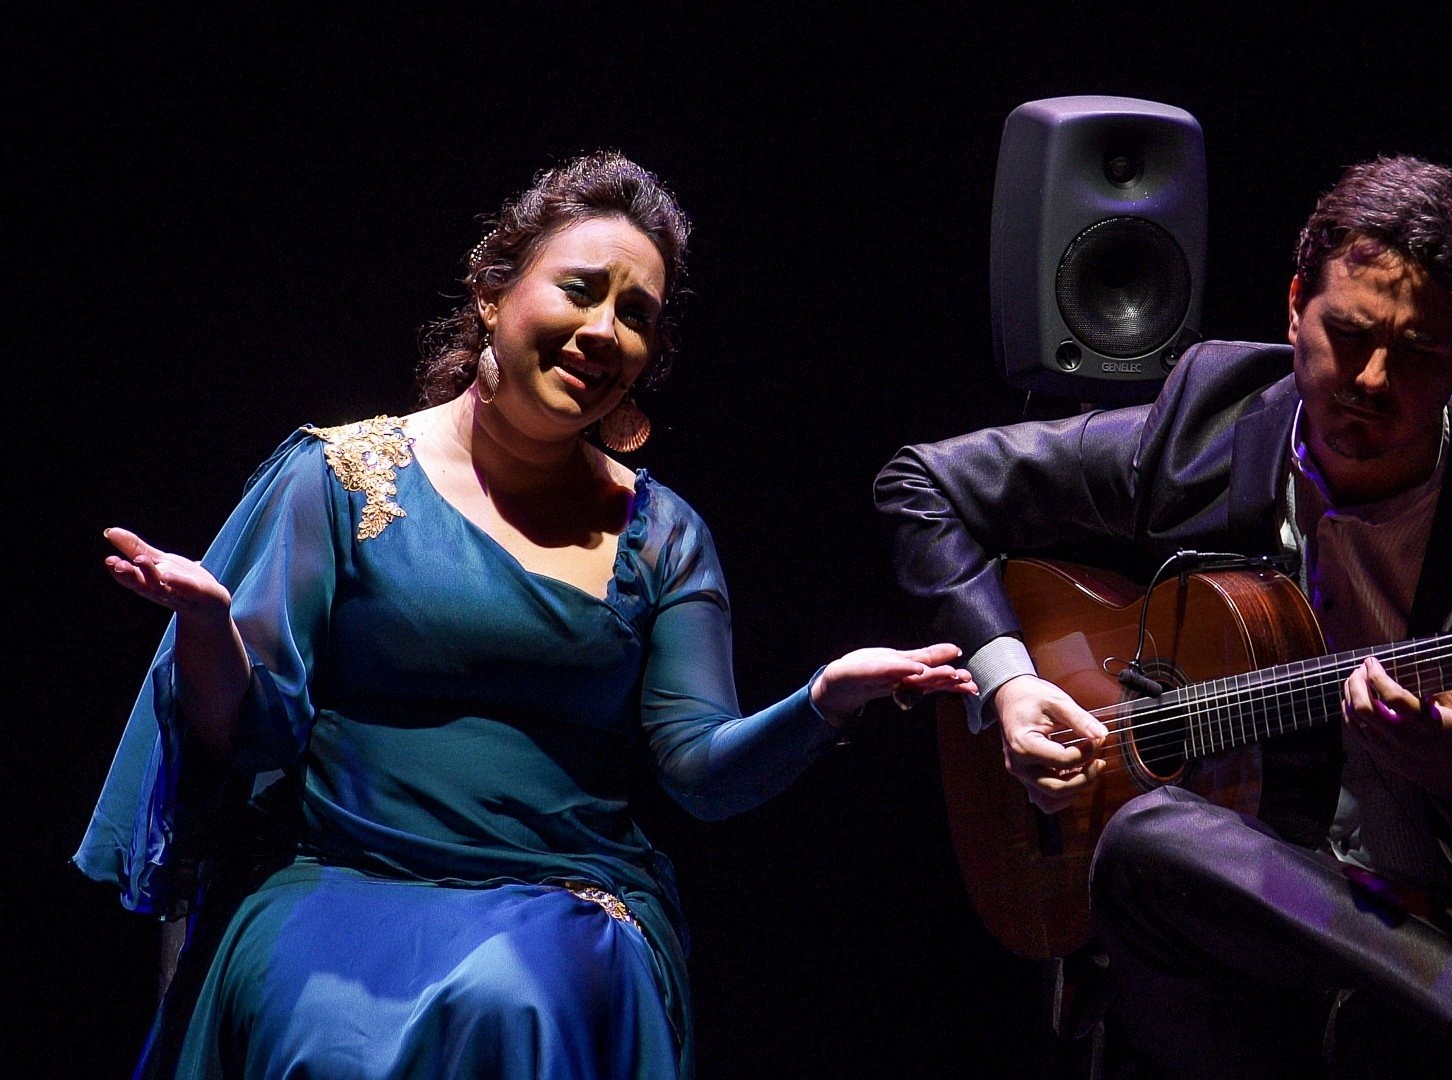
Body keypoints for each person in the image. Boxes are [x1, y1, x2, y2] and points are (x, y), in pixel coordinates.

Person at [75, 151, 975, 1080]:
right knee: (333, 1038)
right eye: (580, 291)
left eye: (637, 316)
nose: (604, 331)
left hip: (560, 896)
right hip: (337, 877)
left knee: (510, 999)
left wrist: (824, 700)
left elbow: (702, 772)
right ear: (492, 293)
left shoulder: (661, 535)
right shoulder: (338, 478)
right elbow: (247, 735)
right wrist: (208, 627)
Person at [875, 155, 1452, 1078]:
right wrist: (1011, 684)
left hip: (1427, 987)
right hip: (1228, 984)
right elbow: (922, 484)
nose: (1372, 380)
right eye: (1346, 332)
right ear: (1295, 304)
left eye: (1417, 354)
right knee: (1151, 841)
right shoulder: (1203, 431)